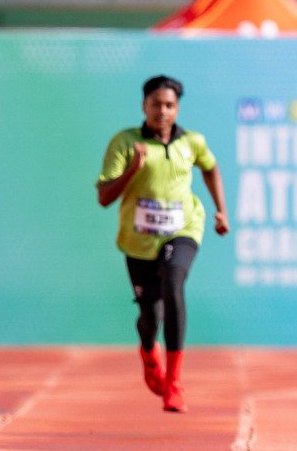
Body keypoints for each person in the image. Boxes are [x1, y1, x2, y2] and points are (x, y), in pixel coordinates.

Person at [97, 75, 229, 414]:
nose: (162, 111)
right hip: (138, 241)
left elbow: (211, 169)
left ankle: (175, 383)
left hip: (183, 228)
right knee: (149, 317)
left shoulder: (192, 142)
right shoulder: (125, 142)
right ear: (144, 106)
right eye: (156, 104)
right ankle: (147, 350)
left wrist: (221, 210)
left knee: (174, 281)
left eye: (169, 105)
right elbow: (104, 197)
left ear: (177, 108)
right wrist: (133, 169)